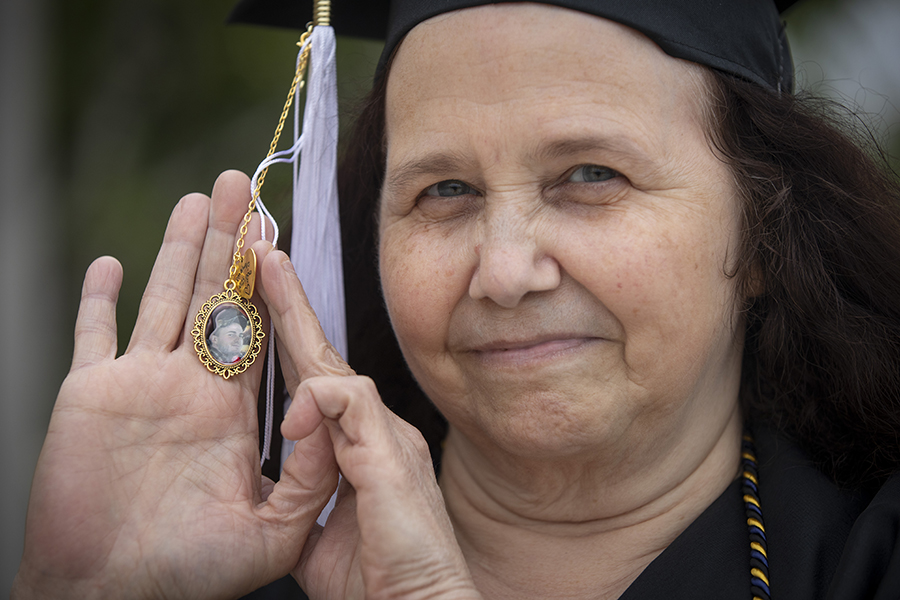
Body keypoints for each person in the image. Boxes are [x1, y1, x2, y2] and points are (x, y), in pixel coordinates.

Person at [12, 1, 900, 599]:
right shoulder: (238, 572)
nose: (506, 272)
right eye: (444, 192)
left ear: (765, 230)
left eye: (592, 175)